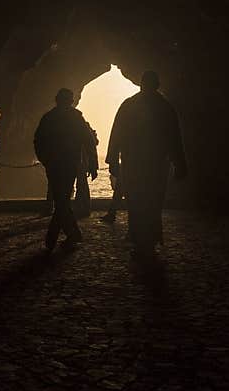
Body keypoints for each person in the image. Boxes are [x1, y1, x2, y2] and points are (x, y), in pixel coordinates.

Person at [106, 70, 187, 258]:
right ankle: (149, 236)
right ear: (156, 85)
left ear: (142, 84)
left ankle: (138, 235)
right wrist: (180, 163)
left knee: (136, 199)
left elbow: (116, 133)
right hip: (157, 164)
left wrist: (112, 159)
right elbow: (175, 138)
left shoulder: (129, 105)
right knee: (153, 200)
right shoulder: (165, 107)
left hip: (134, 162)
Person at [34, 88, 96, 250]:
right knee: (62, 200)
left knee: (61, 200)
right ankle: (70, 234)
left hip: (55, 164)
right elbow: (89, 141)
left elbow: (38, 141)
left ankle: (57, 236)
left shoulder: (49, 118)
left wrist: (45, 159)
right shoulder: (76, 117)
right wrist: (93, 163)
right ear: (70, 101)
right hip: (69, 164)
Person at [74, 121, 99, 218]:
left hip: (78, 161)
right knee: (82, 185)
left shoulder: (76, 126)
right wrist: (93, 166)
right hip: (83, 161)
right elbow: (93, 145)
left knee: (80, 185)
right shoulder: (84, 126)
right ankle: (84, 208)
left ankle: (81, 208)